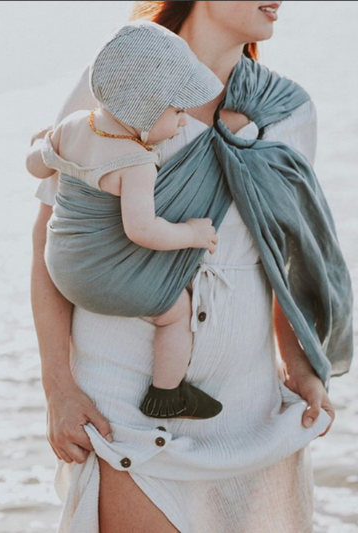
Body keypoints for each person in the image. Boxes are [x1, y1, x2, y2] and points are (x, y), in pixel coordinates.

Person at [30, 2, 343, 532]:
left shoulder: (288, 112)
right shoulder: (123, 72)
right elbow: (52, 238)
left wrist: (300, 365)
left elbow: (282, 254)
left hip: (248, 414)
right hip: (124, 410)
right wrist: (58, 387)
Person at [27, 20, 225, 420]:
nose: (184, 121)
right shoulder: (136, 162)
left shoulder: (72, 126)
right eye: (177, 111)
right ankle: (167, 394)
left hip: (60, 266)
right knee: (176, 314)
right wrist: (192, 233)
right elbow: (143, 230)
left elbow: (36, 166)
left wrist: (37, 144)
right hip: (100, 282)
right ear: (147, 108)